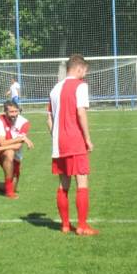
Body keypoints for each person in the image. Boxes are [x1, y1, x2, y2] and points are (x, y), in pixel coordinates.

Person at [47, 54, 97, 235]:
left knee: (63, 184)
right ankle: (82, 226)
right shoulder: (80, 86)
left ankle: (65, 225)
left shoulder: (55, 89)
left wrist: (55, 137)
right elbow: (81, 112)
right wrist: (87, 138)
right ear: (78, 68)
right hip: (75, 140)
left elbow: (49, 119)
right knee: (82, 182)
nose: (85, 75)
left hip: (58, 143)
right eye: (84, 71)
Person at [0, 100, 34, 199]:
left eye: (16, 111)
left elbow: (18, 146)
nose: (14, 114)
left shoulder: (24, 122)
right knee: (9, 152)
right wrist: (21, 138)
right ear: (5, 112)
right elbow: (2, 142)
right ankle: (9, 193)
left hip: (1, 150)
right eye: (11, 112)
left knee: (13, 187)